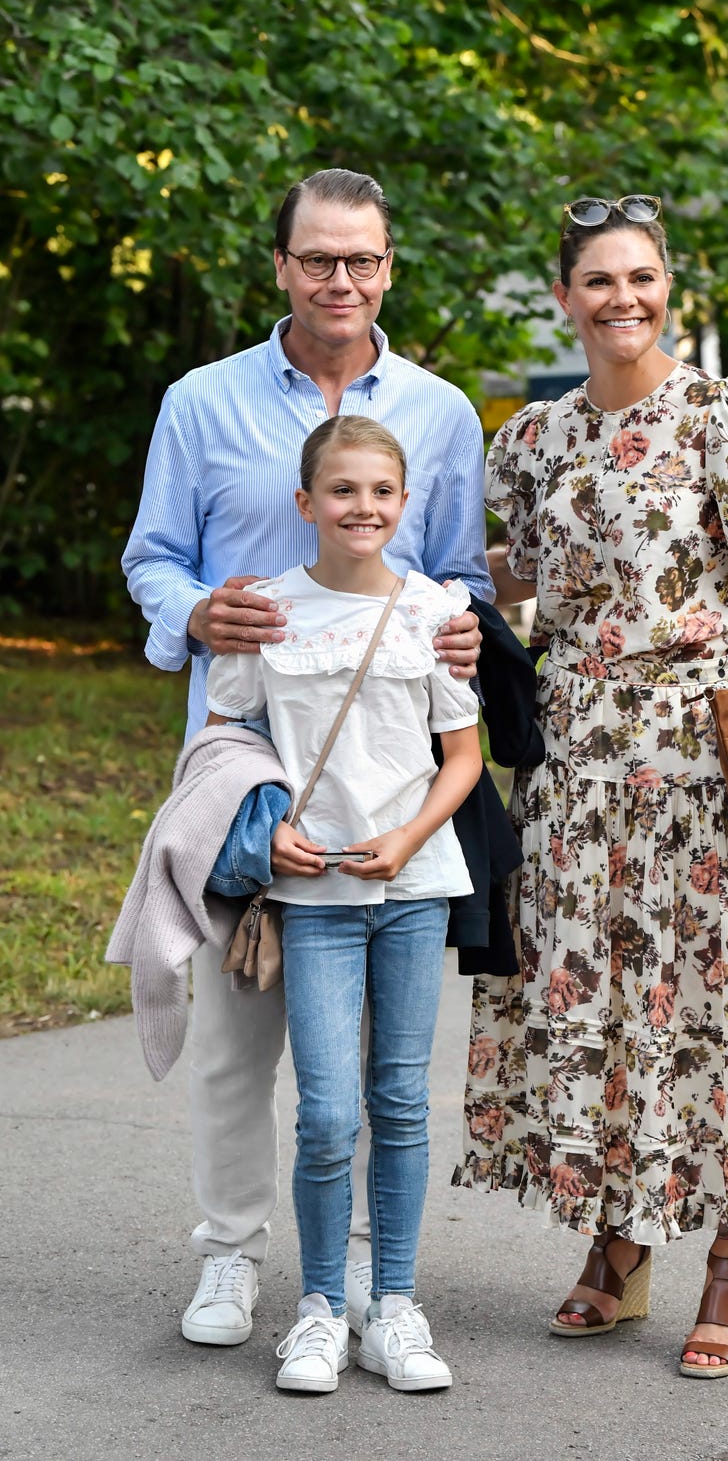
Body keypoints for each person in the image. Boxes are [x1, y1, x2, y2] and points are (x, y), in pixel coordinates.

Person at [454, 194, 728, 1377]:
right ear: (563, 297)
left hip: (696, 754)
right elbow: (498, 577)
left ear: (669, 288)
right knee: (596, 999)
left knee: (714, 997)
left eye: (643, 277)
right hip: (571, 759)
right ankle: (617, 1244)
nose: (625, 299)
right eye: (599, 280)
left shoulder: (727, 413)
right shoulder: (528, 440)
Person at [122, 168, 492, 1346]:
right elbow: (151, 558)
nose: (342, 279)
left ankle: (376, 1278)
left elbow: (459, 580)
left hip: (385, 783)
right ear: (280, 265)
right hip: (246, 773)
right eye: (319, 258)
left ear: (388, 267)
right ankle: (230, 1254)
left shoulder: (438, 413)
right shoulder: (202, 401)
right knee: (240, 1042)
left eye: (363, 259)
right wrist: (192, 615)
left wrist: (471, 625)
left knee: (382, 1064)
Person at [206, 415, 483, 1392]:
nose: (361, 507)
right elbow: (225, 743)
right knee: (326, 1111)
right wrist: (261, 821)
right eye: (342, 490)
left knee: (398, 1100)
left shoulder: (433, 611)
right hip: (310, 894)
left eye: (380, 492)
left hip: (412, 890)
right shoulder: (264, 612)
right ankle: (319, 1308)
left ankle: (393, 1307)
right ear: (305, 502)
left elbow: (464, 756)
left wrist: (408, 838)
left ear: (402, 504)